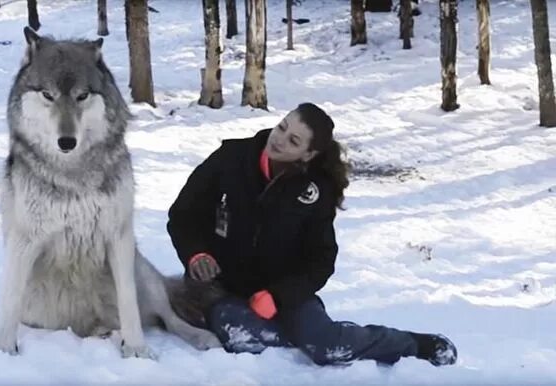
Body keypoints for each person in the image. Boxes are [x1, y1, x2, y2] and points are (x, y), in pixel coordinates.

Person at [166, 103, 457, 367]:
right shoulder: (230, 159)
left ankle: (413, 344)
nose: (279, 139)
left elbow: (321, 259)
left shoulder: (316, 191)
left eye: (293, 140)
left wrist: (279, 296)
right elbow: (183, 215)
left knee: (326, 346)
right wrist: (196, 254)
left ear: (308, 154)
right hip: (223, 290)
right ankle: (302, 341)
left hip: (286, 293)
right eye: (282, 127)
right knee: (244, 340)